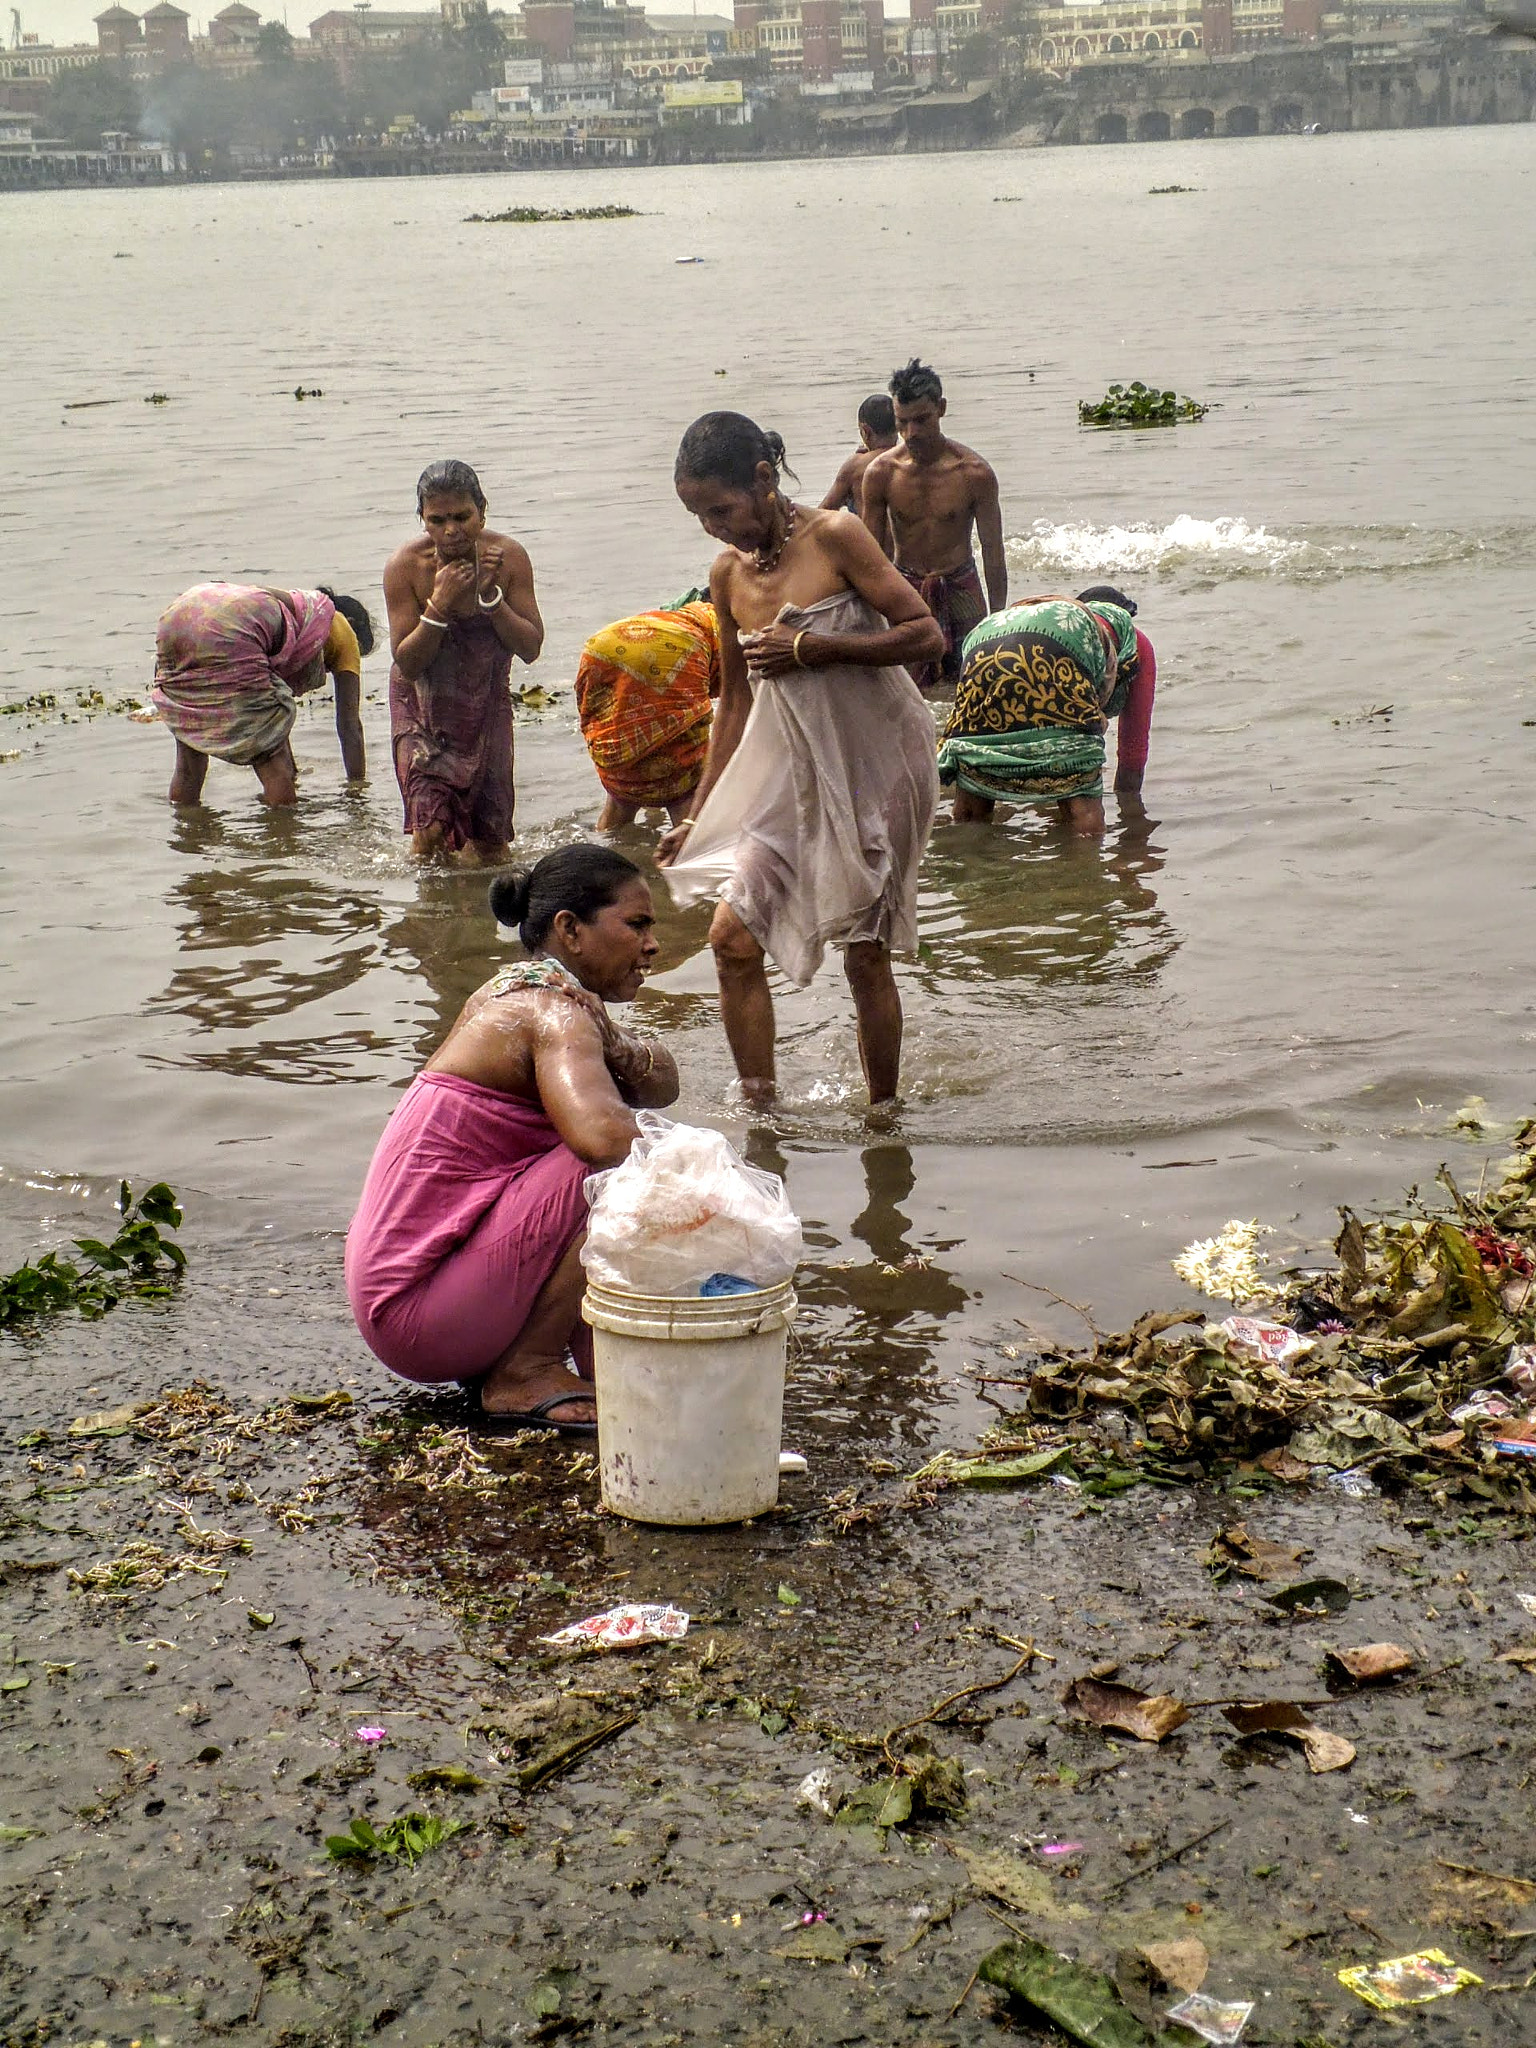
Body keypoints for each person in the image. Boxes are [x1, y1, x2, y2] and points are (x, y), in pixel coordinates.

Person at [661, 411, 944, 1111]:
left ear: (763, 479)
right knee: (730, 938)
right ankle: (761, 1111)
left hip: (878, 766)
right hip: (790, 774)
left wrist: (816, 649)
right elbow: (731, 703)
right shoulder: (726, 573)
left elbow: (926, 634)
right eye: (698, 515)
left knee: (865, 953)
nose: (714, 528)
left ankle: (884, 1117)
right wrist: (697, 815)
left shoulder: (837, 537)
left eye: (720, 509)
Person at [345, 845, 678, 1430]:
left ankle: (566, 1358)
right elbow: (605, 1142)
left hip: (408, 1302)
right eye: (636, 925)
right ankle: (527, 1368)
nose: (652, 944)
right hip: (419, 1313)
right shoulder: (551, 1011)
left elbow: (662, 1084)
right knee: (631, 1160)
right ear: (570, 929)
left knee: (638, 1143)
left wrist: (618, 1044)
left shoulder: (518, 994)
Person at [382, 458, 544, 863]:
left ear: (482, 511)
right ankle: (431, 919)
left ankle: (470, 919)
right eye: (437, 519)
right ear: (422, 518)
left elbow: (530, 647)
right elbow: (408, 661)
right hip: (420, 707)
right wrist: (439, 605)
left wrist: (492, 601)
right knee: (430, 831)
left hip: (485, 701)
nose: (450, 530)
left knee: (491, 841)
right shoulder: (406, 566)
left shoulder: (508, 558)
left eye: (461, 516)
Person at [937, 586, 1144, 836]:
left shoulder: (1039, 614)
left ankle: (964, 856)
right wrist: (1131, 816)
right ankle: (1087, 870)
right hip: (1051, 654)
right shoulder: (1134, 639)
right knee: (1083, 816)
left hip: (982, 644)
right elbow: (1133, 753)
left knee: (976, 777)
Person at [152, 582, 373, 806]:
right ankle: (282, 833)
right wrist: (357, 791)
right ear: (354, 625)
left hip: (180, 616)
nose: (326, 671)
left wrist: (294, 770)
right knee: (272, 764)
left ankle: (188, 832)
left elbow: (273, 714)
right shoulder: (341, 627)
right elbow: (349, 726)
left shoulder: (296, 616)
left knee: (190, 761)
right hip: (233, 630)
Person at [861, 358, 1007, 693]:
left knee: (978, 681)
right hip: (906, 586)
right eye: (903, 422)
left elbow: (993, 551)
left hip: (960, 583)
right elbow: (869, 553)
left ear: (941, 409)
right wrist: (869, 618)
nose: (912, 433)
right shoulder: (882, 473)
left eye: (922, 420)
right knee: (905, 689)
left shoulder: (973, 473)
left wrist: (999, 620)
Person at [574, 599, 721, 831]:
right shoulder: (733, 630)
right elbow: (738, 710)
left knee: (624, 773)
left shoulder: (686, 612)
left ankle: (608, 840)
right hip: (669, 653)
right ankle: (681, 856)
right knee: (683, 782)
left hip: (601, 648)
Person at [820, 393, 897, 514]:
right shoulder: (912, 459)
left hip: (867, 532)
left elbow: (824, 512)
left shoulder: (856, 465)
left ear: (865, 431)